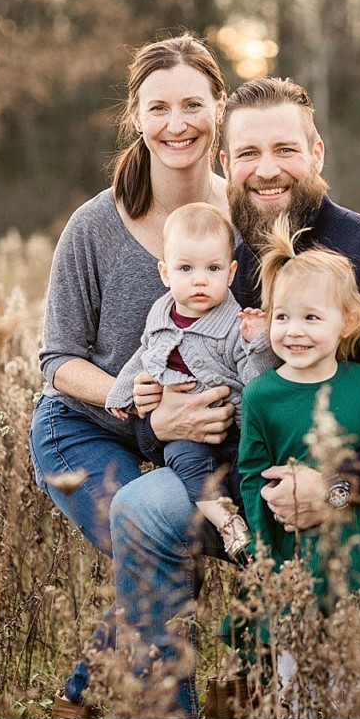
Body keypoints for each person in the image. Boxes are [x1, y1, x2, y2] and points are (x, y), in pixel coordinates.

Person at [112, 77, 360, 718]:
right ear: (225, 164)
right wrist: (156, 420)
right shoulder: (222, 272)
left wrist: (335, 488)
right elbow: (184, 385)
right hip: (260, 510)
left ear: (318, 155)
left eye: (286, 149)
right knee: (142, 504)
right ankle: (165, 705)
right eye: (248, 153)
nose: (266, 169)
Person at [28, 33, 231, 719]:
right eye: (159, 108)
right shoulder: (94, 226)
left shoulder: (247, 222)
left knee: (166, 549)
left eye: (193, 105)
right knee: (157, 554)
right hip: (84, 430)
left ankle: (79, 699)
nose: (178, 124)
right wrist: (143, 412)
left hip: (191, 445)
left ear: (219, 109)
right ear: (137, 118)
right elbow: (57, 361)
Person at [237, 219, 360, 692]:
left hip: (355, 551)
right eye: (282, 317)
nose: (294, 332)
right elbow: (251, 474)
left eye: (311, 318)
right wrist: (261, 550)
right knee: (292, 674)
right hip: (291, 553)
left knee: (350, 676)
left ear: (349, 321)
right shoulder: (261, 394)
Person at [105, 202, 276, 558]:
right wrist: (121, 392)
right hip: (184, 433)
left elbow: (258, 382)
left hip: (235, 430)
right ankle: (226, 522)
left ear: (231, 274)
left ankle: (263, 545)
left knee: (251, 474)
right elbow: (144, 354)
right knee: (183, 456)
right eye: (186, 268)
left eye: (212, 268)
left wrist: (257, 343)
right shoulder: (161, 313)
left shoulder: (235, 324)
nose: (200, 279)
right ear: (166, 274)